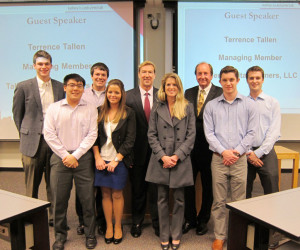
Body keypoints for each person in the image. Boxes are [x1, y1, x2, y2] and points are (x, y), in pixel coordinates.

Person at [203, 66, 258, 250]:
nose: (228, 83)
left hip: (240, 160)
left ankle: (237, 236)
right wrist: (224, 152)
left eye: (231, 80)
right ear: (219, 82)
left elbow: (252, 133)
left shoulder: (249, 104)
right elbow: (209, 134)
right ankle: (220, 236)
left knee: (239, 200)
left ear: (237, 80)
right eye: (225, 80)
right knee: (218, 200)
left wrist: (235, 153)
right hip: (218, 159)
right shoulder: (211, 106)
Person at [44, 74, 98, 250]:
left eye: (80, 85)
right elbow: (49, 134)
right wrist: (65, 155)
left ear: (84, 88)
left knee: (88, 200)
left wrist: (76, 155)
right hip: (60, 159)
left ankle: (90, 234)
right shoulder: (54, 108)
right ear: (65, 87)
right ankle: (60, 236)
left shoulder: (90, 108)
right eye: (72, 85)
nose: (76, 88)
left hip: (83, 159)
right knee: (59, 201)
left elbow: (92, 134)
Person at [12, 50, 64, 226]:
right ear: (34, 66)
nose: (43, 67)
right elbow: (17, 116)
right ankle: (31, 218)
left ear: (51, 65)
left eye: (46, 64)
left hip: (54, 142)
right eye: (40, 64)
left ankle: (53, 218)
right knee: (31, 185)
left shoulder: (59, 87)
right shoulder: (23, 86)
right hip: (33, 142)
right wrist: (28, 134)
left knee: (54, 183)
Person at [146, 73, 196, 250]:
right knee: (161, 199)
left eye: (174, 85)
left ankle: (176, 235)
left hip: (180, 159)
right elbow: (151, 134)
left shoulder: (187, 107)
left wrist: (176, 156)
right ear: (164, 87)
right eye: (168, 85)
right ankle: (164, 234)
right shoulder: (157, 107)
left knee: (180, 199)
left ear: (179, 87)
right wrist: (163, 156)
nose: (171, 88)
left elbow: (191, 136)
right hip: (161, 159)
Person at [93, 79, 136, 245]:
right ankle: (109, 226)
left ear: (122, 94)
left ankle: (118, 226)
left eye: (116, 92)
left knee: (117, 194)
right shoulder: (99, 111)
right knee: (105, 194)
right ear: (106, 93)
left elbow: (130, 140)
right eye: (110, 92)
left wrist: (116, 160)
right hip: (101, 160)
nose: (113, 95)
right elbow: (94, 137)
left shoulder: (128, 113)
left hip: (119, 160)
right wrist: (97, 158)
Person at [183, 62, 222, 235]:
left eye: (206, 73)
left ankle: (203, 220)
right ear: (196, 75)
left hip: (210, 148)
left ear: (212, 75)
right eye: (199, 73)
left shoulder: (219, 92)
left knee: (208, 187)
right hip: (190, 148)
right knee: (187, 185)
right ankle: (190, 219)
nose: (203, 77)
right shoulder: (189, 92)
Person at [126, 61, 159, 237]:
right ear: (138, 74)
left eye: (150, 72)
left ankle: (156, 223)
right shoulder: (128, 96)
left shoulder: (162, 95)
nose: (147, 75)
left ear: (154, 75)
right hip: (136, 152)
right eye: (143, 72)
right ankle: (137, 222)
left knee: (156, 190)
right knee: (137, 189)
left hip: (157, 153)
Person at [76, 62, 109, 236]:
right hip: (84, 145)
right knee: (84, 185)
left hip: (104, 145)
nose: (100, 77)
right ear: (91, 76)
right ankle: (82, 220)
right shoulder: (82, 94)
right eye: (97, 74)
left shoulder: (111, 94)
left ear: (107, 77)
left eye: (103, 75)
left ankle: (101, 221)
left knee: (101, 185)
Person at [246, 66, 281, 198]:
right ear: (247, 80)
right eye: (251, 78)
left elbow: (274, 132)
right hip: (246, 153)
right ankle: (245, 219)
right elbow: (240, 131)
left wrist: (258, 153)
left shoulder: (273, 103)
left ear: (263, 80)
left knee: (272, 188)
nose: (254, 81)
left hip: (266, 151)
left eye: (257, 78)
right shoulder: (242, 103)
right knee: (242, 191)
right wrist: (250, 153)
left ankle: (270, 218)